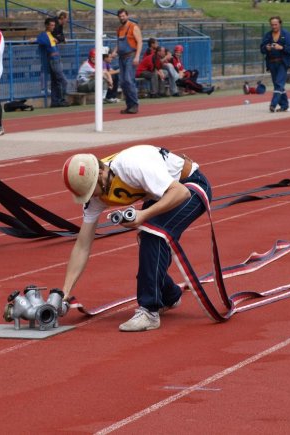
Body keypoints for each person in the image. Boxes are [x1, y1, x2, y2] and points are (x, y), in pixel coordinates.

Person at [61, 145, 212, 332]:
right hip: (163, 192)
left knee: (153, 233)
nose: (91, 197)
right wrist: (65, 293)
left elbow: (181, 192)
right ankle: (169, 295)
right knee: (149, 241)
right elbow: (83, 245)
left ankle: (149, 311)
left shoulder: (132, 166)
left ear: (100, 174)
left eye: (92, 191)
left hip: (190, 185)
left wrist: (143, 214)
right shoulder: (95, 193)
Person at [260, 16, 290, 112]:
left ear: (280, 24)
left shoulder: (286, 34)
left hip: (282, 62)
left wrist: (281, 47)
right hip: (271, 63)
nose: (274, 26)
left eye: (275, 24)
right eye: (272, 25)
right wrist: (266, 48)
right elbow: (262, 49)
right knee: (278, 85)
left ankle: (273, 104)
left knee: (279, 84)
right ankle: (285, 105)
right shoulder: (268, 35)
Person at [112, 8, 142, 114]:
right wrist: (114, 52)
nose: (122, 18)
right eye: (120, 16)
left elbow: (139, 42)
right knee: (123, 82)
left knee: (129, 80)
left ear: (127, 16)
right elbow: (118, 43)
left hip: (131, 56)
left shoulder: (133, 27)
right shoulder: (119, 29)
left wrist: (137, 57)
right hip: (121, 57)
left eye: (123, 16)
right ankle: (129, 105)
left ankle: (134, 104)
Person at [37, 18, 69, 108]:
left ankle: (55, 102)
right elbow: (39, 40)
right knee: (63, 81)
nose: (53, 27)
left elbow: (60, 38)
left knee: (55, 82)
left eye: (54, 25)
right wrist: (34, 40)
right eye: (51, 25)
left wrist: (58, 40)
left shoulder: (51, 35)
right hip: (53, 60)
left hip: (56, 59)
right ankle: (61, 100)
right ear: (46, 25)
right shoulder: (44, 35)